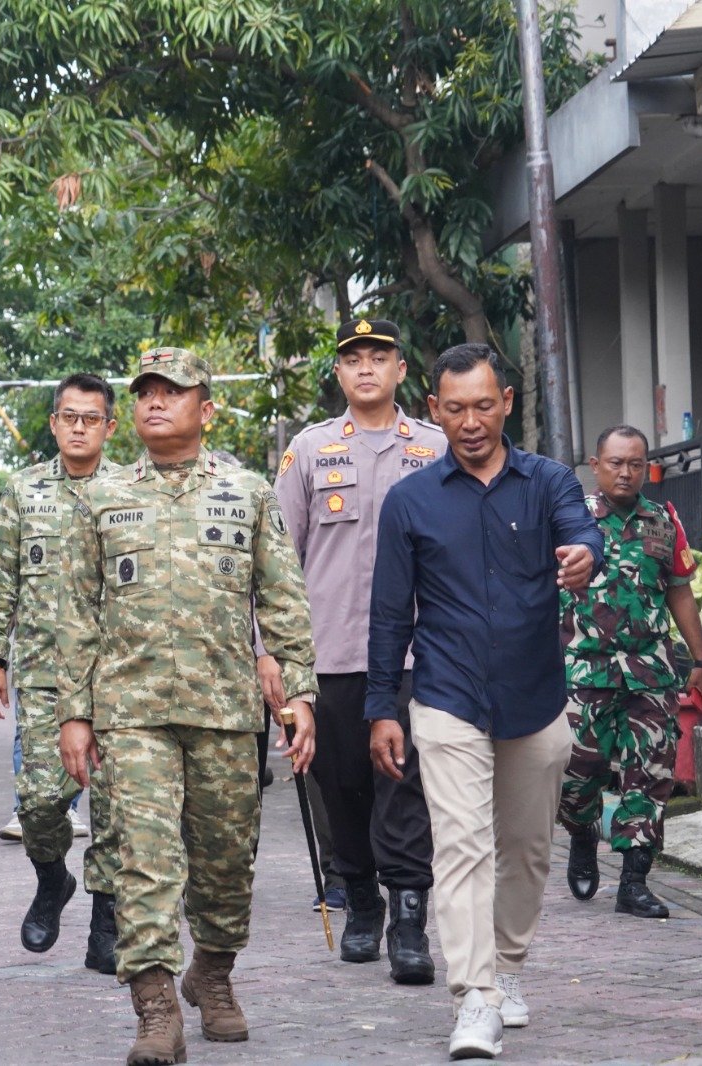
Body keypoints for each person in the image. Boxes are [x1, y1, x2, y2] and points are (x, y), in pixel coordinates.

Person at [57, 347, 317, 1066]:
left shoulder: (248, 492)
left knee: (227, 864)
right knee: (143, 862)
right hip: (130, 714)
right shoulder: (102, 499)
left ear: (206, 408)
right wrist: (73, 714)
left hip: (228, 711)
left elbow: (284, 600)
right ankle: (155, 1008)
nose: (155, 404)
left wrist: (298, 693)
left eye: (173, 393)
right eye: (144, 393)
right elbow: (76, 615)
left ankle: (214, 974)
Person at [366, 343, 602, 1061]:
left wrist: (583, 556)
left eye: (483, 405)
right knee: (462, 845)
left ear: (505, 401)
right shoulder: (410, 500)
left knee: (527, 849)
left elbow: (583, 535)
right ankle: (473, 998)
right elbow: (387, 615)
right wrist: (382, 706)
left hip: (535, 696)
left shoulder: (549, 481)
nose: (471, 422)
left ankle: (507, 967)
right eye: (455, 408)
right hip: (446, 694)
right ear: (434, 411)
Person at [273, 318, 447, 982]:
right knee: (341, 787)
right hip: (331, 653)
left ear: (402, 370)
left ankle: (408, 919)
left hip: (416, 653)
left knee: (404, 784)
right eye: (354, 359)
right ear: (340, 374)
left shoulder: (434, 448)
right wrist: (275, 658)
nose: (367, 368)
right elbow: (278, 562)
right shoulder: (311, 452)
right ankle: (363, 905)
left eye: (380, 357)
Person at [0, 372, 121, 971]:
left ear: (110, 427)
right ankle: (52, 879)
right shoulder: (23, 490)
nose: (80, 426)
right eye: (70, 416)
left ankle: (106, 923)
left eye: (92, 418)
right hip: (41, 674)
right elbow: (2, 576)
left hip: (116, 675)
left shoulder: (133, 490)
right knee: (38, 805)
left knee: (112, 807)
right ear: (54, 423)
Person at [560, 425, 702, 919]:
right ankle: (582, 831)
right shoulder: (570, 519)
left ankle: (634, 880)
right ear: (595, 463)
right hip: (582, 672)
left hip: (649, 673)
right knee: (573, 775)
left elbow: (680, 591)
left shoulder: (663, 521)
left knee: (648, 774)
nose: (625, 473)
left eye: (634, 463)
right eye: (615, 463)